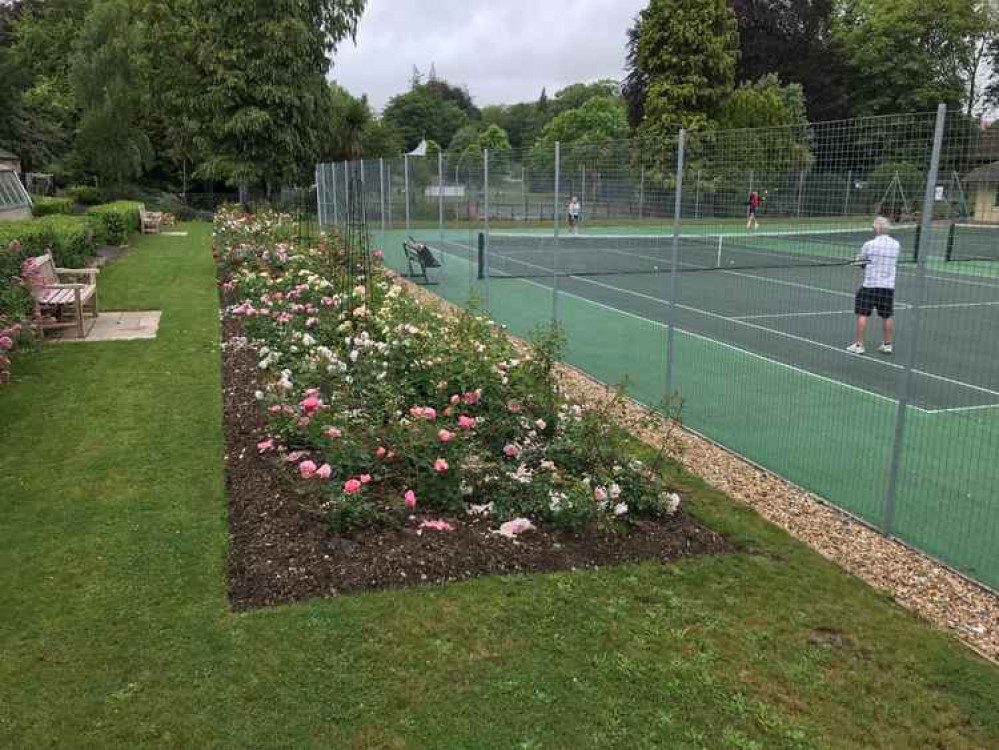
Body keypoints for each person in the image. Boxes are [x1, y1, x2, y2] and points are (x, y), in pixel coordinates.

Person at [847, 216, 900, 355]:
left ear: (877, 228)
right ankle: (888, 344)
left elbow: (861, 262)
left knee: (862, 314)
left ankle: (859, 345)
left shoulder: (869, 244)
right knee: (887, 315)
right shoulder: (896, 244)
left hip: (870, 286)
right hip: (888, 287)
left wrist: (857, 263)